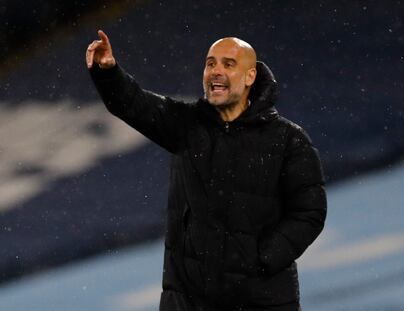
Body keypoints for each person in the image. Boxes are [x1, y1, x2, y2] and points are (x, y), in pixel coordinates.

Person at [86, 30, 327, 311]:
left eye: (228, 64)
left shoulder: (287, 140)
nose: (216, 71)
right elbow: (133, 104)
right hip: (189, 301)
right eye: (210, 63)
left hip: (260, 300)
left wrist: (261, 259)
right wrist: (108, 72)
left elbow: (309, 212)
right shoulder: (185, 125)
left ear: (250, 77)